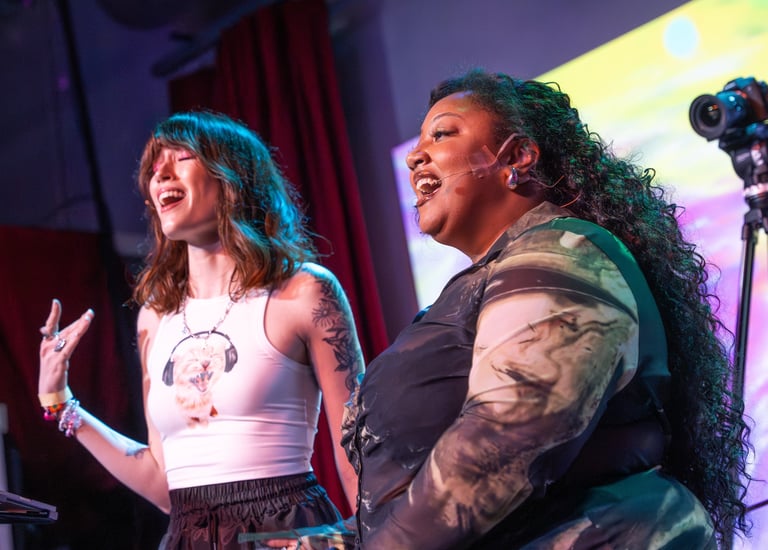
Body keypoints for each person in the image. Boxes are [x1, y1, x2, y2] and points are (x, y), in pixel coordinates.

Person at [270, 68, 753, 549]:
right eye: (419, 142)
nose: (416, 155)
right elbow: (406, 505)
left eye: (442, 134)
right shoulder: (481, 287)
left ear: (518, 157)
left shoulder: (564, 256)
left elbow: (500, 448)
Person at [37, 110, 365, 549]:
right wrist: (61, 403)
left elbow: (358, 452)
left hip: (286, 532)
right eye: (155, 167)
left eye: (182, 157)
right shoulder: (155, 318)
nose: (160, 174)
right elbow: (163, 484)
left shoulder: (303, 291)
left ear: (232, 178)